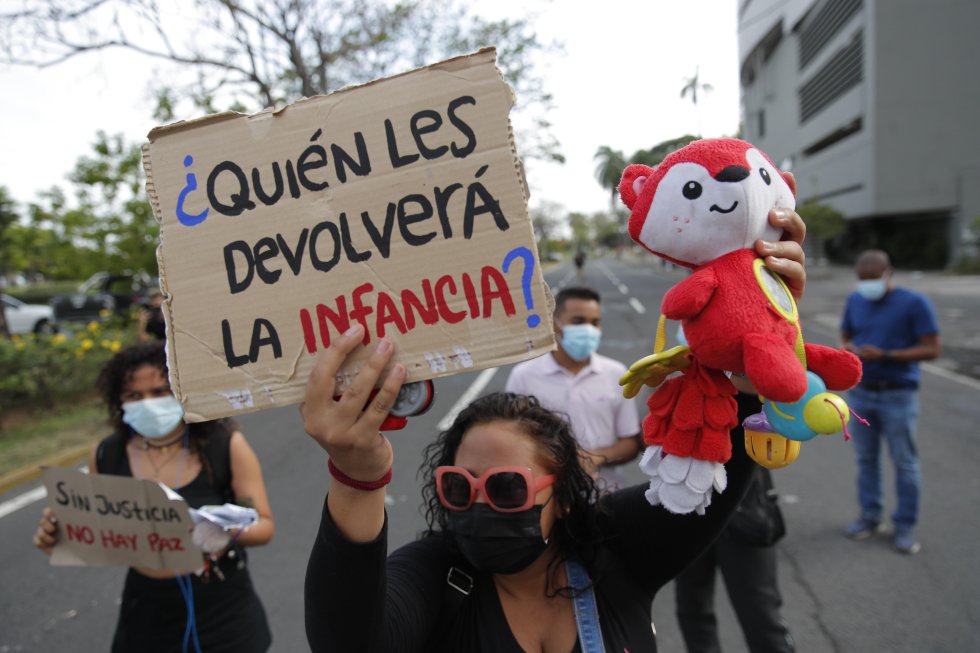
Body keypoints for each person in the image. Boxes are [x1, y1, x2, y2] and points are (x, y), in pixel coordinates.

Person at [301, 208, 809, 652]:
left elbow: (716, 475)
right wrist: (357, 475)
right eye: (457, 487)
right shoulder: (439, 578)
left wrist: (754, 321)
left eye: (506, 487)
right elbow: (349, 641)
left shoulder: (617, 556)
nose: (479, 506)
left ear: (563, 497)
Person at [33, 342, 275, 651]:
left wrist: (224, 532)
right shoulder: (107, 455)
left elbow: (262, 524)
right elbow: (99, 528)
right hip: (145, 612)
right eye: (134, 395)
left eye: (161, 391)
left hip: (221, 608)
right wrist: (58, 534)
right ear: (118, 401)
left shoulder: (225, 447)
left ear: (181, 389)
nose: (148, 403)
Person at [840, 249, 940, 554]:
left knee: (904, 462)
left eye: (873, 279)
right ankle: (870, 517)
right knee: (866, 459)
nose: (867, 285)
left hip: (897, 393)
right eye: (862, 280)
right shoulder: (856, 300)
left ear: (888, 273)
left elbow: (932, 348)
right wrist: (847, 349)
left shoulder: (914, 303)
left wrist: (886, 355)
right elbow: (845, 334)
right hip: (861, 391)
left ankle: (905, 525)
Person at [505, 286, 641, 490]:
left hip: (606, 494)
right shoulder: (524, 375)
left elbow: (631, 442)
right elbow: (510, 438)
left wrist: (593, 458)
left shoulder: (617, 373)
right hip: (545, 493)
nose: (589, 330)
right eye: (578, 322)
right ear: (554, 325)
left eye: (595, 323)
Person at [674, 462, 796, 653]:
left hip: (744, 507)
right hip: (688, 504)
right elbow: (646, 441)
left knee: (760, 615)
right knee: (693, 608)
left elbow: (777, 442)